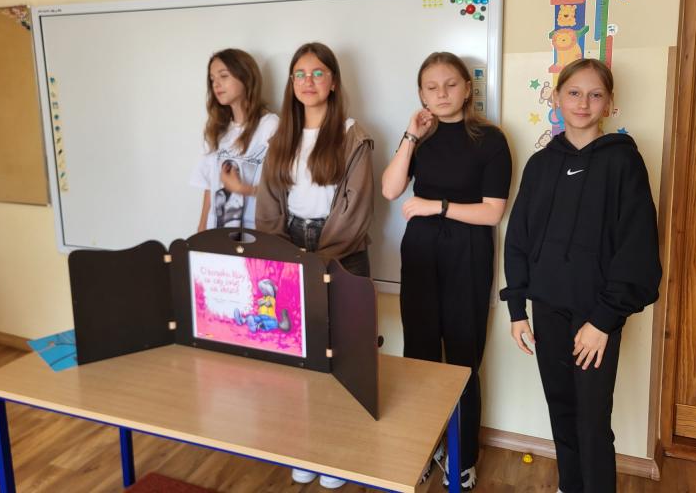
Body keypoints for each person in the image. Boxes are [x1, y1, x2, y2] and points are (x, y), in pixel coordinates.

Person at [500, 58, 661, 493]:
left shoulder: (623, 162)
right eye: (573, 92)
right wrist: (517, 310)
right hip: (547, 309)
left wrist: (603, 321)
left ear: (609, 102)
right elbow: (518, 239)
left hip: (595, 316)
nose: (583, 103)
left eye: (595, 94)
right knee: (562, 410)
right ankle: (569, 486)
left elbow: (637, 248)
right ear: (557, 98)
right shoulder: (540, 164)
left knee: (592, 421)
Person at [381, 51, 512, 491]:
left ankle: (463, 455)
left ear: (467, 88)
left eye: (450, 84)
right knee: (418, 354)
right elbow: (390, 189)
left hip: (467, 253)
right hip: (420, 253)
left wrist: (436, 206)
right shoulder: (421, 138)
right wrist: (410, 135)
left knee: (462, 358)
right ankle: (423, 446)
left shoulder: (490, 140)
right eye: (431, 87)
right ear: (421, 94)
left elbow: (492, 212)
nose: (441, 94)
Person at [256, 42, 373, 490]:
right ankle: (304, 446)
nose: (308, 82)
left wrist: (317, 264)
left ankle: (335, 453)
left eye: (318, 73)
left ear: (334, 82)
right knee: (298, 353)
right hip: (289, 243)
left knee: (340, 356)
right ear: (291, 83)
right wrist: (280, 257)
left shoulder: (352, 135)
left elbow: (354, 210)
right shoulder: (281, 137)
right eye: (300, 74)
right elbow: (268, 203)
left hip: (340, 249)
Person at [191, 49, 278, 232]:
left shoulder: (270, 126)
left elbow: (282, 191)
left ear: (246, 77)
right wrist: (201, 230)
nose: (216, 84)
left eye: (223, 76)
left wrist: (242, 189)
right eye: (212, 79)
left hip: (257, 235)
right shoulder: (215, 130)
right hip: (217, 235)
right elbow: (209, 187)